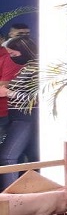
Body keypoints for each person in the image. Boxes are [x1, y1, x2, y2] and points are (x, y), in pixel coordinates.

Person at [0, 36, 37, 190]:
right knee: (28, 156)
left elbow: (37, 97)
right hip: (17, 117)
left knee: (7, 157)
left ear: (24, 50)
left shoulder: (36, 68)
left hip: (25, 118)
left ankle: (11, 198)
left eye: (13, 54)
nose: (12, 58)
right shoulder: (28, 67)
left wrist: (8, 93)